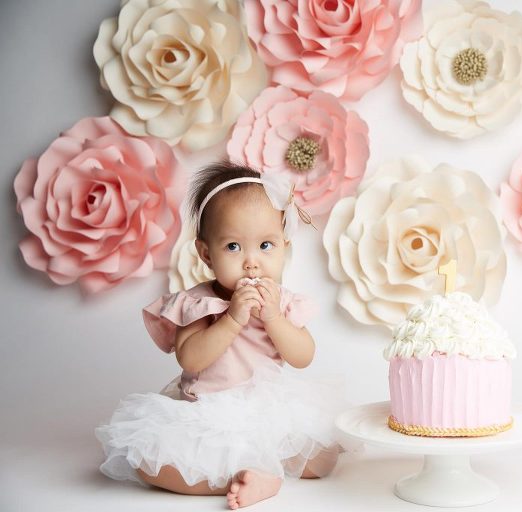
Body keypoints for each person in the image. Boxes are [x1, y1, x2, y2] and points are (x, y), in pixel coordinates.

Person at [96, 161, 343, 510]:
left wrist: (273, 319)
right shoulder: (197, 303)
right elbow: (190, 357)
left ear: (285, 246)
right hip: (208, 413)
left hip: (268, 409)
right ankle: (245, 477)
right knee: (149, 464)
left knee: (324, 458)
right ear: (205, 253)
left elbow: (303, 356)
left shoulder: (281, 301)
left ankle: (263, 469)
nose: (252, 262)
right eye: (233, 247)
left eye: (266, 245)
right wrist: (231, 319)